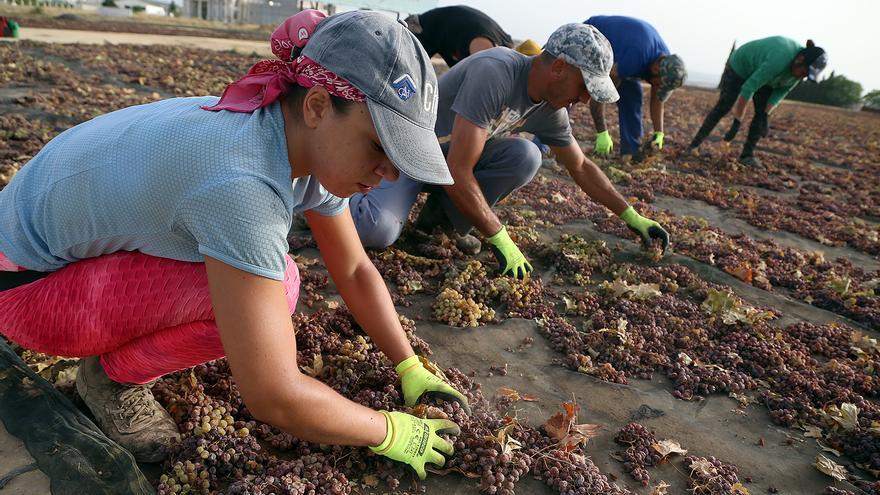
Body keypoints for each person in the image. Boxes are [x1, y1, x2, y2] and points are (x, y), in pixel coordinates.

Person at [0, 10, 468, 479]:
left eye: (399, 158)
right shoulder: (241, 183)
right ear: (319, 106)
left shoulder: (284, 128)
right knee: (276, 287)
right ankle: (111, 380)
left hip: (40, 256)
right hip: (23, 290)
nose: (389, 175)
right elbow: (273, 394)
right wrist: (390, 431)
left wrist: (408, 364)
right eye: (379, 147)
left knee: (265, 280)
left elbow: (354, 270)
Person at [350, 23, 670, 279]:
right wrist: (499, 236)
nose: (585, 100)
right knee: (375, 230)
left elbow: (581, 166)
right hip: (408, 151)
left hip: (447, 162)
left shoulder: (550, 109)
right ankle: (332, 197)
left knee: (526, 155)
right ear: (559, 67)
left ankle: (434, 228)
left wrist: (631, 215)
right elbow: (460, 171)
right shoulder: (496, 71)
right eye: (584, 87)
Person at [687, 37, 827, 167]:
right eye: (803, 72)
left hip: (766, 76)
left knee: (760, 114)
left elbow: (780, 92)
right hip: (741, 66)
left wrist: (765, 115)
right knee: (724, 106)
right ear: (800, 59)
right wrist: (737, 121)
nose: (802, 77)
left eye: (806, 76)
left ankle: (746, 155)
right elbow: (748, 88)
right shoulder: (779, 58)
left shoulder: (797, 75)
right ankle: (693, 146)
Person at [583, 15, 686, 159]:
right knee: (573, 89)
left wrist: (659, 132)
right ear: (656, 69)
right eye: (657, 84)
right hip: (591, 36)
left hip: (623, 57)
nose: (656, 87)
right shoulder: (636, 57)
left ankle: (631, 152)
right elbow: (601, 93)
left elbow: (658, 99)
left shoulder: (666, 64)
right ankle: (546, 142)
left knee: (633, 98)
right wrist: (602, 132)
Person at [404, 5, 513, 68]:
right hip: (418, 27)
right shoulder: (484, 48)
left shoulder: (502, 48)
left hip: (440, 34)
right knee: (406, 71)